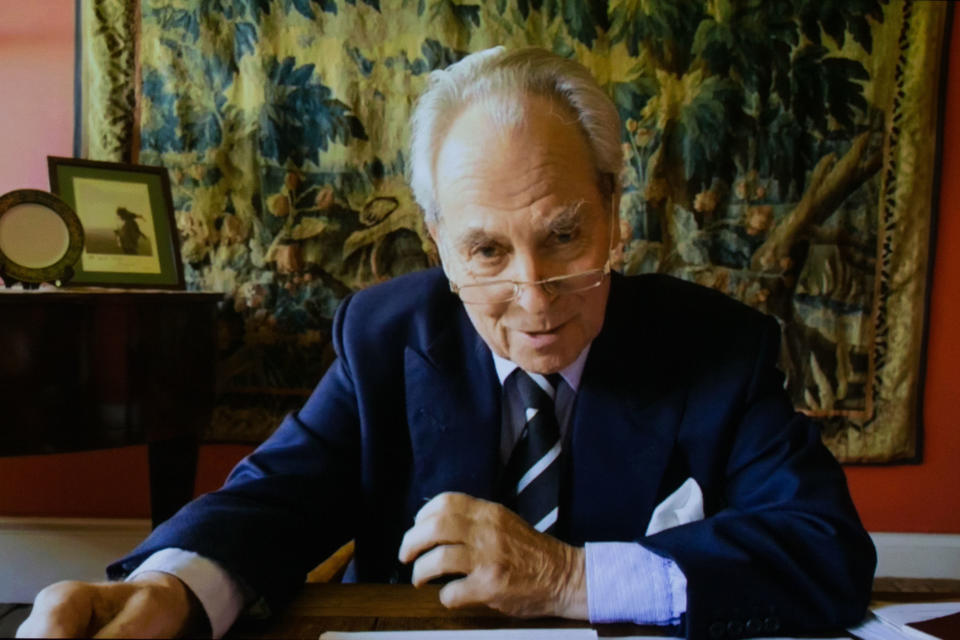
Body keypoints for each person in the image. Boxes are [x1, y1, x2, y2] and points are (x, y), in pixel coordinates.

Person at [18, 47, 875, 639]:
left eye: (567, 236)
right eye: (488, 251)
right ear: (437, 243)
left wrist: (568, 577)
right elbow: (273, 501)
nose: (533, 297)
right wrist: (168, 587)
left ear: (615, 214)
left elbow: (825, 547)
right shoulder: (386, 335)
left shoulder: (717, 348)